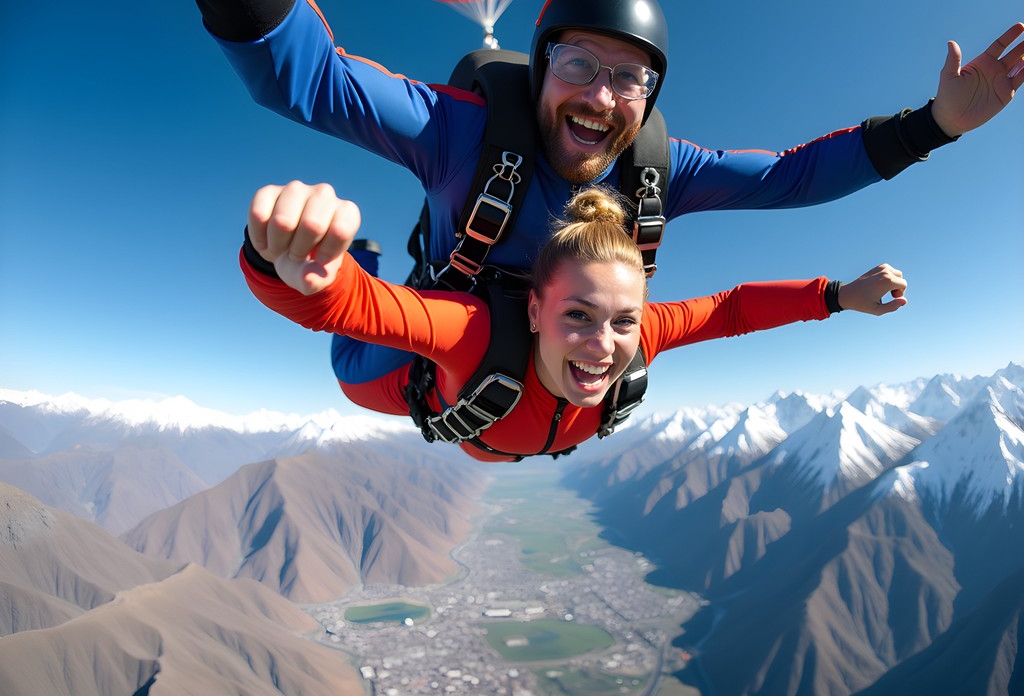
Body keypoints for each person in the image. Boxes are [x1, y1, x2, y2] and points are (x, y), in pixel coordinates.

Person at [175, 0, 1022, 398]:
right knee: (356, 374)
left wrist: (935, 125)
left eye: (631, 80)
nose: (604, 97)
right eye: (580, 66)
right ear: (541, 69)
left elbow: (792, 180)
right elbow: (309, 81)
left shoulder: (662, 169)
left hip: (561, 363)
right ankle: (366, 255)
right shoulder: (462, 133)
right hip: (440, 333)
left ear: (650, 99)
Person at [241, 179, 908, 462]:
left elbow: (728, 309)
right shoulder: (471, 334)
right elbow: (357, 309)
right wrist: (287, 262)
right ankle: (369, 251)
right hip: (396, 378)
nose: (603, 345)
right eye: (578, 315)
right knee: (348, 364)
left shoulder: (639, 338)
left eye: (623, 320)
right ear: (534, 309)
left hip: (490, 430)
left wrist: (835, 295)